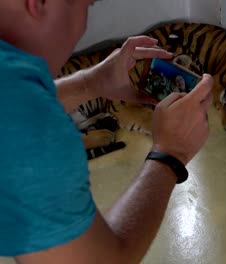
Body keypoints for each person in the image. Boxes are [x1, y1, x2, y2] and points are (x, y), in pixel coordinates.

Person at [0, 0, 213, 263]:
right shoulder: (26, 125)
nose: (82, 24)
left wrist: (91, 82)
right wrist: (170, 154)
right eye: (86, 5)